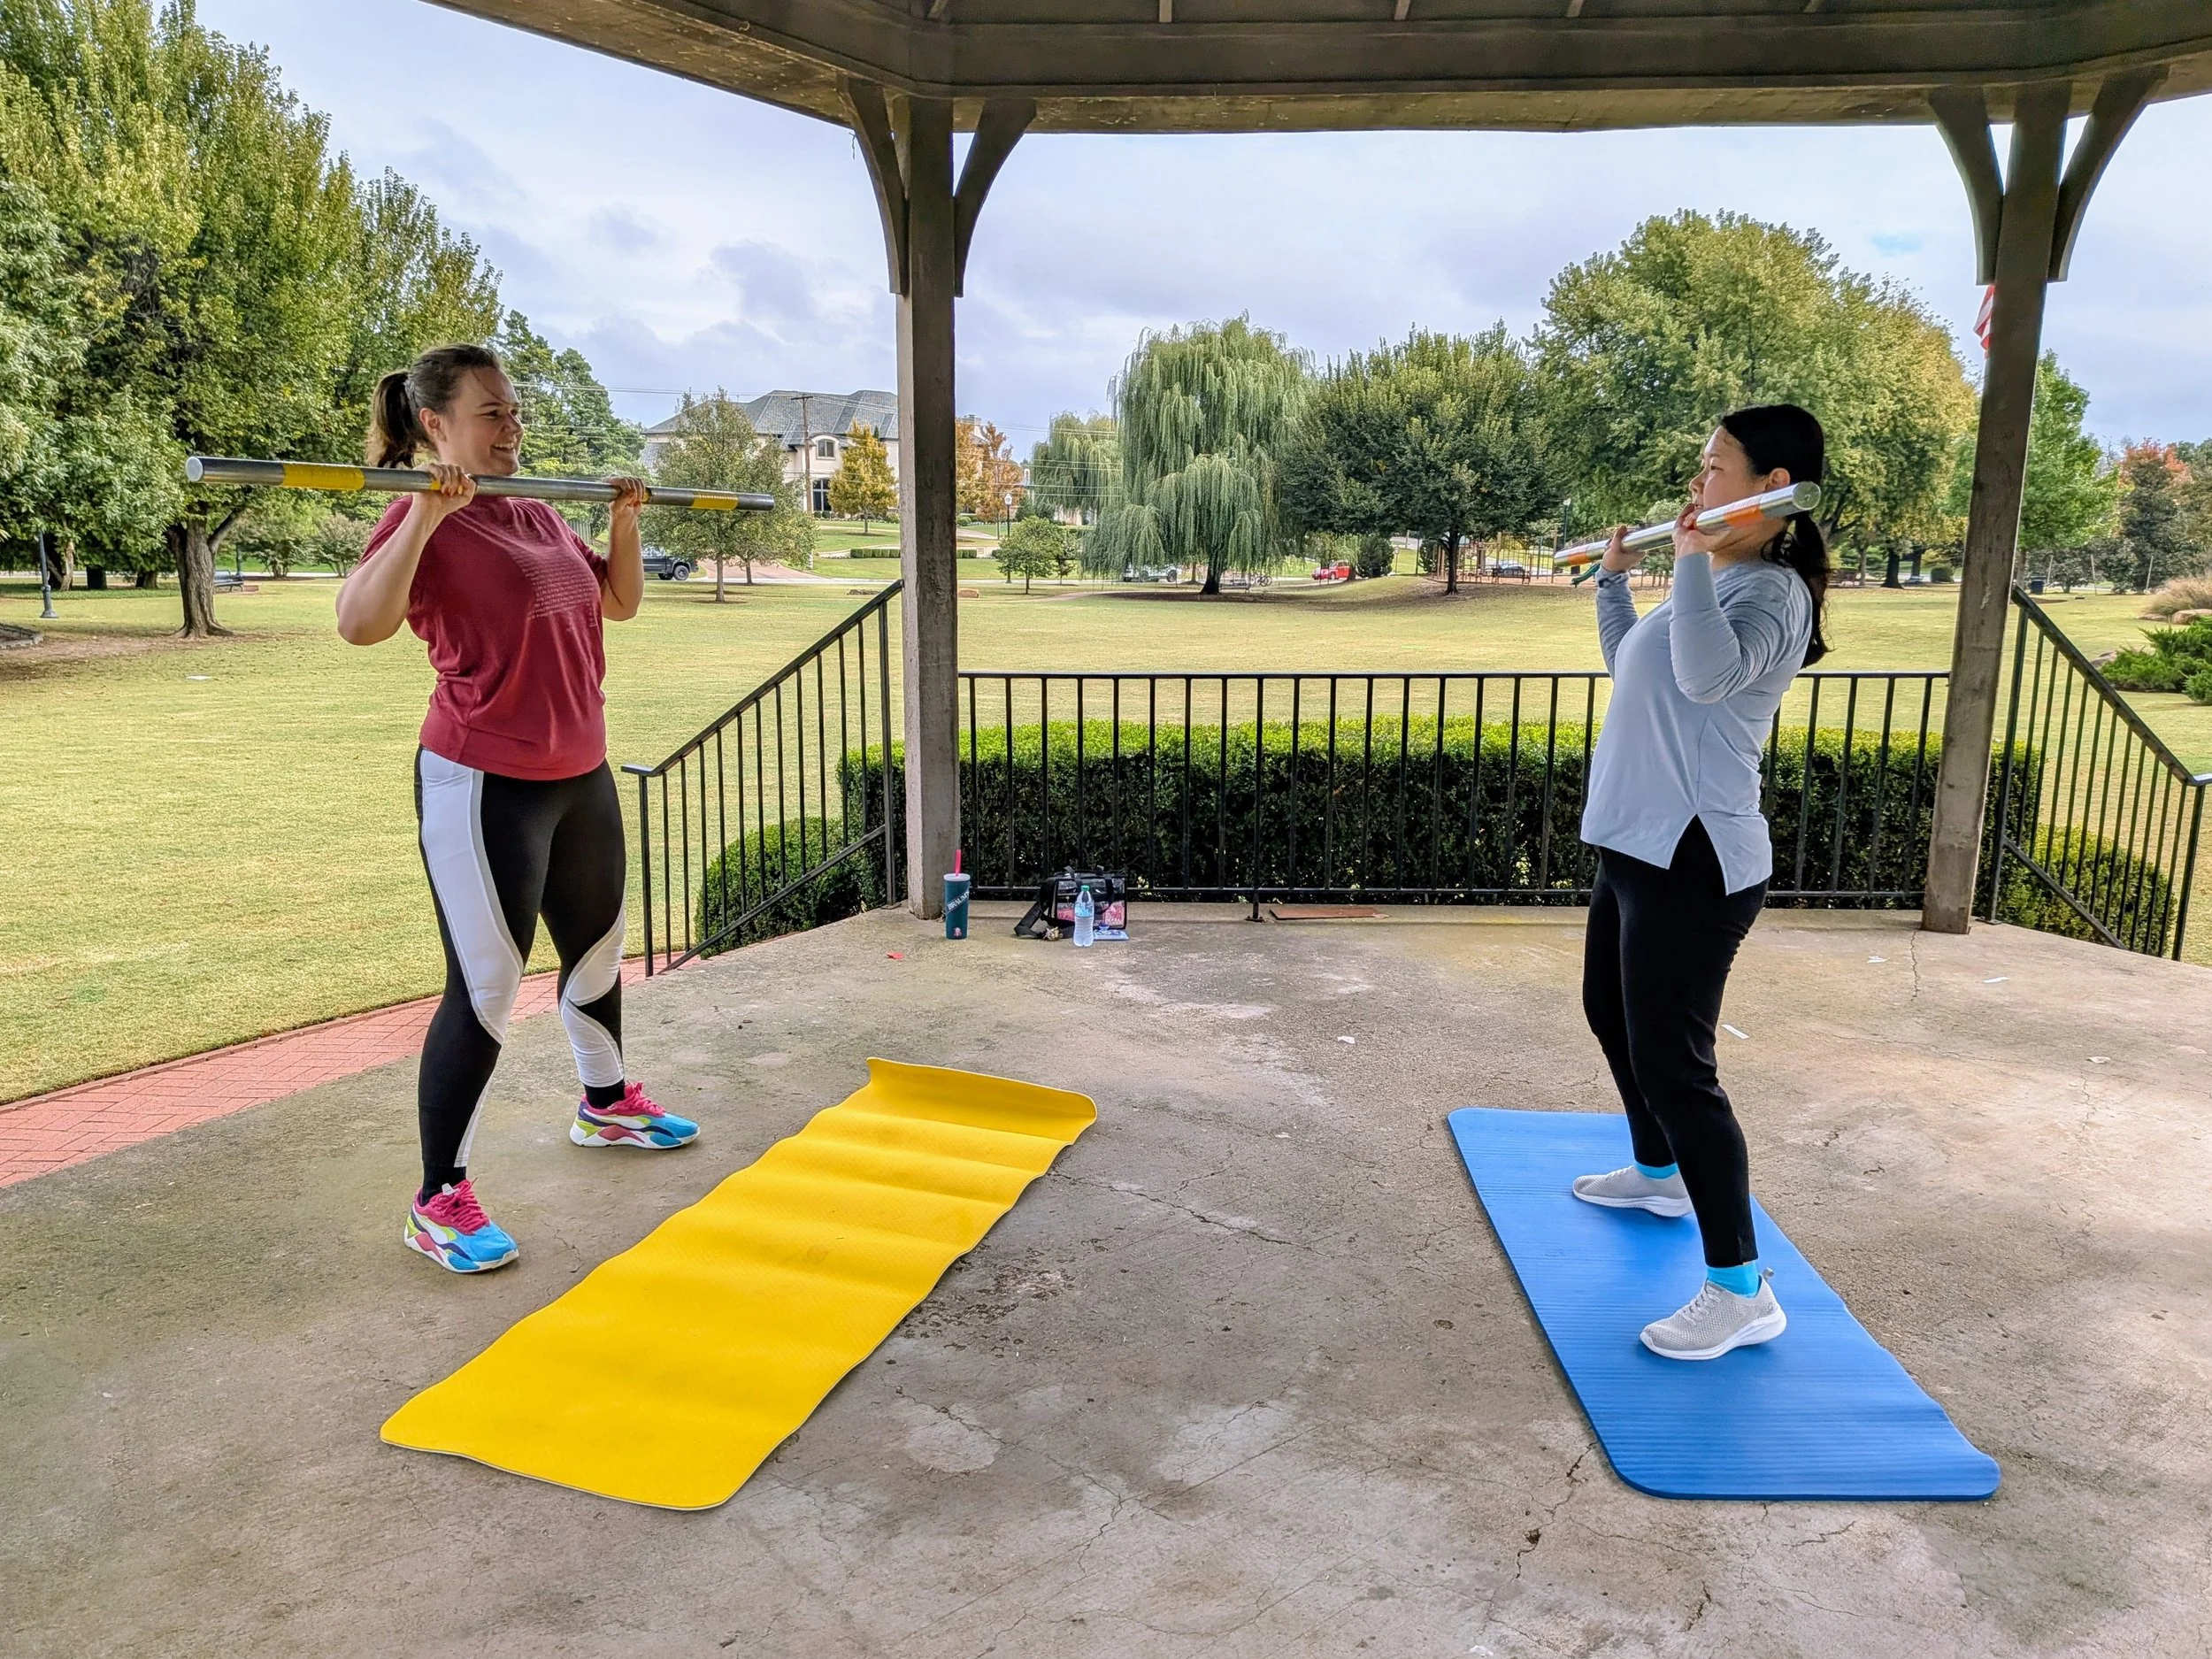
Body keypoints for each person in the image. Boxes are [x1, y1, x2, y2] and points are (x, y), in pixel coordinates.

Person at [336, 343, 699, 1275]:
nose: (513, 428)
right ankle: (437, 1199)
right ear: (435, 424)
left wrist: (623, 521)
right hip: (482, 782)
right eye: (491, 413)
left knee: (601, 948)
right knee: (488, 986)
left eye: (513, 412)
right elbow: (359, 623)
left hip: (579, 772)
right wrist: (422, 512)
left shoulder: (531, 508)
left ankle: (606, 1104)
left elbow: (616, 603)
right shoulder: (425, 519)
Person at [1570, 404, 1829, 1360]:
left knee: (1680, 1070)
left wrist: (1682, 562)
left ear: (1771, 486)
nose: (1696, 483)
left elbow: (1709, 680)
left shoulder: (1770, 593)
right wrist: (1612, 584)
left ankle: (1741, 1288)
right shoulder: (1711, 576)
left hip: (1696, 860)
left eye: (1713, 466)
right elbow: (1641, 668)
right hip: (1633, 842)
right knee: (1609, 1015)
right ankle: (1657, 1173)